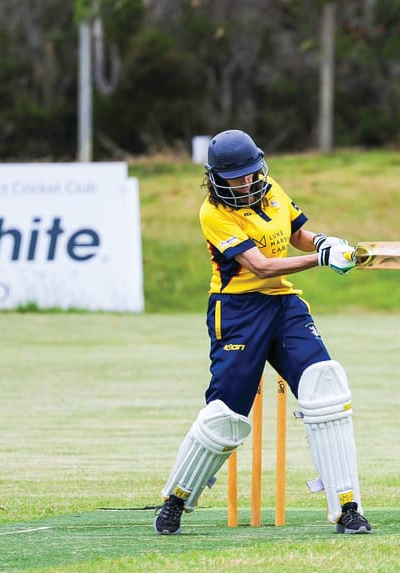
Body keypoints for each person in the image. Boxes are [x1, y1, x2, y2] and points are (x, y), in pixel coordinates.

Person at [154, 129, 372, 534]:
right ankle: (176, 500)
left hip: (283, 305)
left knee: (325, 386)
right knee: (226, 416)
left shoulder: (270, 189)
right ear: (216, 178)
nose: (245, 183)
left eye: (251, 174)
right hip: (236, 311)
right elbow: (262, 266)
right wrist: (319, 259)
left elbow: (295, 233)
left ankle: (347, 508)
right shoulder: (213, 214)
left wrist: (322, 240)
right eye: (235, 178)